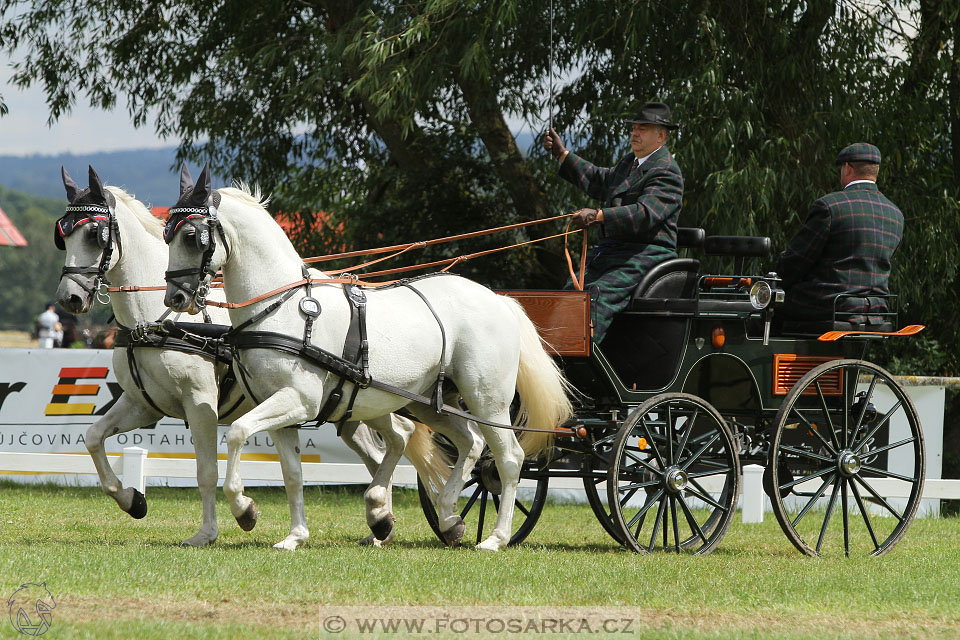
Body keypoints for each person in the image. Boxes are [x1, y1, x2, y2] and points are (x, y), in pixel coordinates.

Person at [543, 101, 684, 343]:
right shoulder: (630, 163)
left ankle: (579, 362)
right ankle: (561, 356)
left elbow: (644, 214)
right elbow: (601, 179)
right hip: (615, 253)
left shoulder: (666, 171)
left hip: (647, 254)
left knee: (595, 297)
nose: (634, 133)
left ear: (661, 136)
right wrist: (562, 154)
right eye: (633, 128)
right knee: (571, 291)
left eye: (642, 128)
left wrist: (599, 216)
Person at [775, 143, 903, 326]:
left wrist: (774, 283)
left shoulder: (830, 206)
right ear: (876, 171)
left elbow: (796, 261)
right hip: (876, 310)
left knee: (763, 309)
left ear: (847, 168)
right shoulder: (896, 214)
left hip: (829, 305)